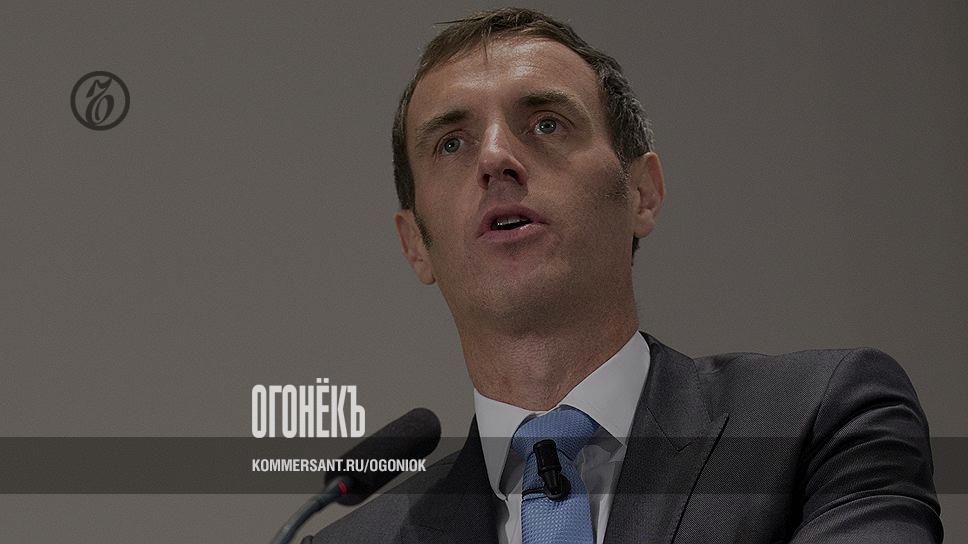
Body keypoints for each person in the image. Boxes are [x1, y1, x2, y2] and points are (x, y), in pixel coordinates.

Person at [305, 7, 941, 543]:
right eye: (451, 143)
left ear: (642, 193)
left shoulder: (821, 420)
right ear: (416, 243)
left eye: (546, 124)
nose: (495, 158)